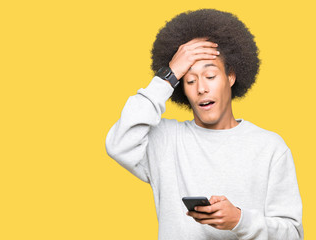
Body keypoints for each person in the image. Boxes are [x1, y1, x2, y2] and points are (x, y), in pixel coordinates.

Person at [105, 9, 303, 240]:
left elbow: (293, 234)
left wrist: (240, 220)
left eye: (210, 76)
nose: (201, 88)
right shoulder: (166, 141)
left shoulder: (270, 147)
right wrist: (168, 76)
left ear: (230, 77)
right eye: (189, 80)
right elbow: (118, 143)